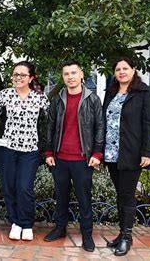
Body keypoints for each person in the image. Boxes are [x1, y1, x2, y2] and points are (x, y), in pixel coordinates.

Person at [43, 60, 104, 252]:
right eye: (66, 74)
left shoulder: (93, 99)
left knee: (84, 199)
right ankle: (60, 228)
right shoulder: (57, 100)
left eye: (73, 73)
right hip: (60, 159)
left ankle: (87, 235)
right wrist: (48, 152)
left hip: (83, 159)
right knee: (60, 197)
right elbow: (50, 127)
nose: (70, 77)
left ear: (81, 74)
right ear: (63, 77)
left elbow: (100, 127)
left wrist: (97, 153)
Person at [103, 57, 150, 256]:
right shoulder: (111, 93)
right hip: (111, 152)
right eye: (118, 69)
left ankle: (126, 236)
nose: (121, 72)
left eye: (125, 68)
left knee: (127, 195)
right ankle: (122, 234)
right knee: (120, 194)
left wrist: (147, 152)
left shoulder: (144, 92)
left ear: (134, 70)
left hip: (131, 153)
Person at [0, 61, 48, 241]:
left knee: (24, 187)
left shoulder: (40, 97)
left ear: (31, 78)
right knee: (9, 186)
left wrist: (47, 146)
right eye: (15, 74)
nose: (18, 78)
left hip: (30, 150)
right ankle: (15, 222)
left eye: (22, 75)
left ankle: (26, 223)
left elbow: (52, 121)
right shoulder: (5, 95)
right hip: (7, 148)